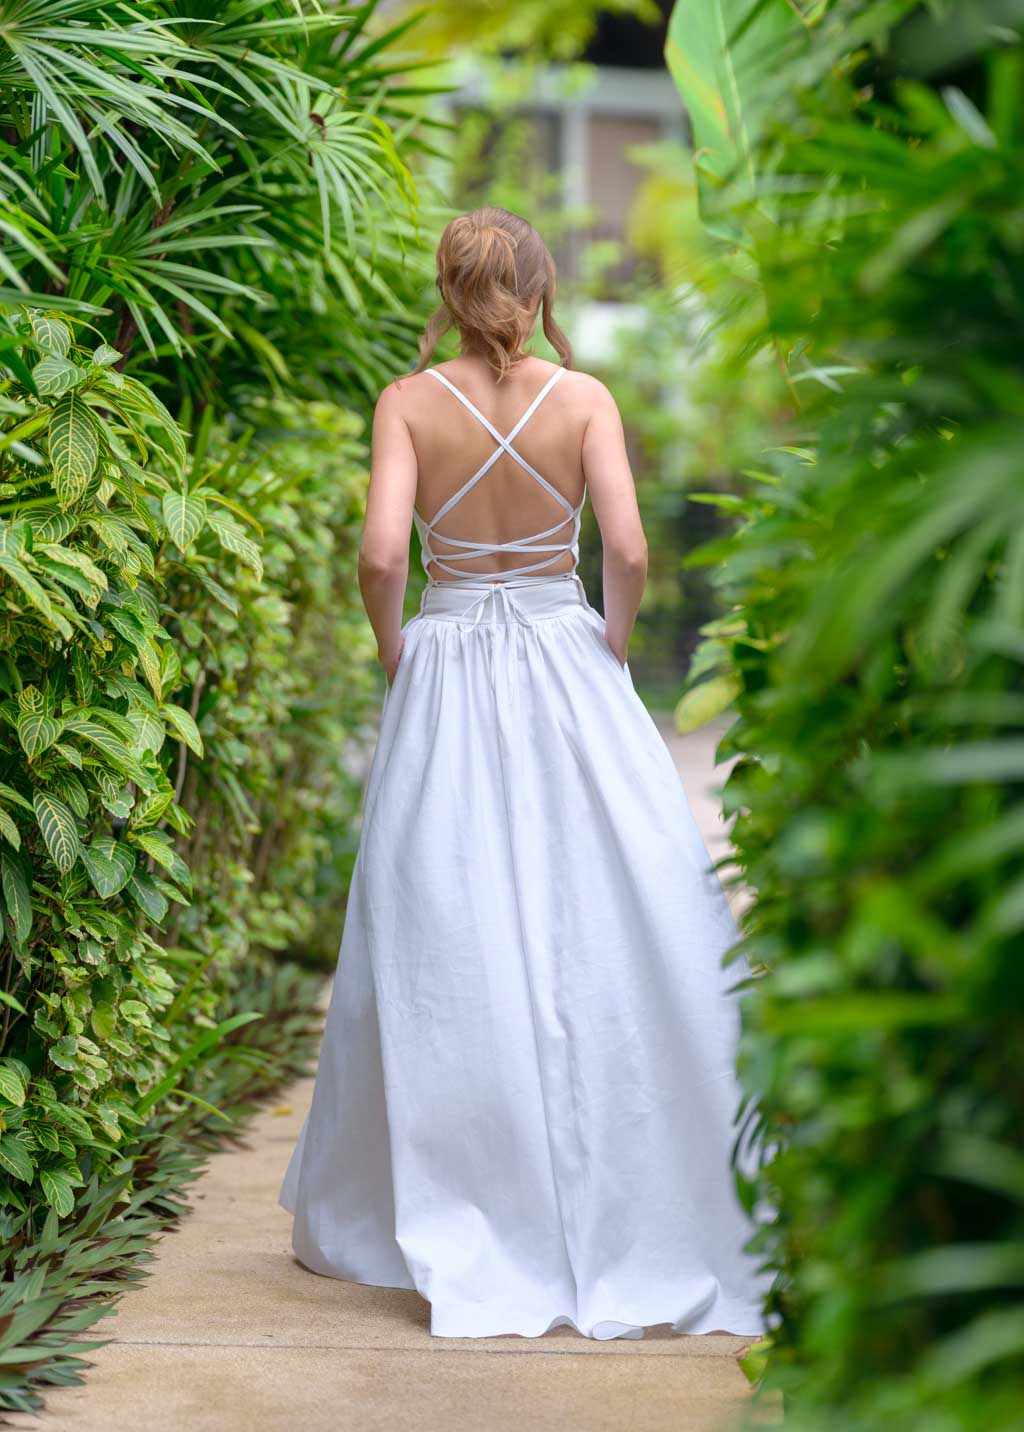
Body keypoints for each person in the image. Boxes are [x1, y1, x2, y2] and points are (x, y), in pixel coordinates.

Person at [279, 205, 772, 1341]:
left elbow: (381, 555)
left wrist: (397, 647)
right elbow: (632, 550)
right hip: (563, 651)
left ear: (448, 293)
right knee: (604, 907)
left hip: (447, 656)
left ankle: (456, 1188)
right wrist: (607, 636)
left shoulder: (405, 404)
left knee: (443, 920)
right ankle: (629, 1174)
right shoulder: (585, 399)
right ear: (540, 290)